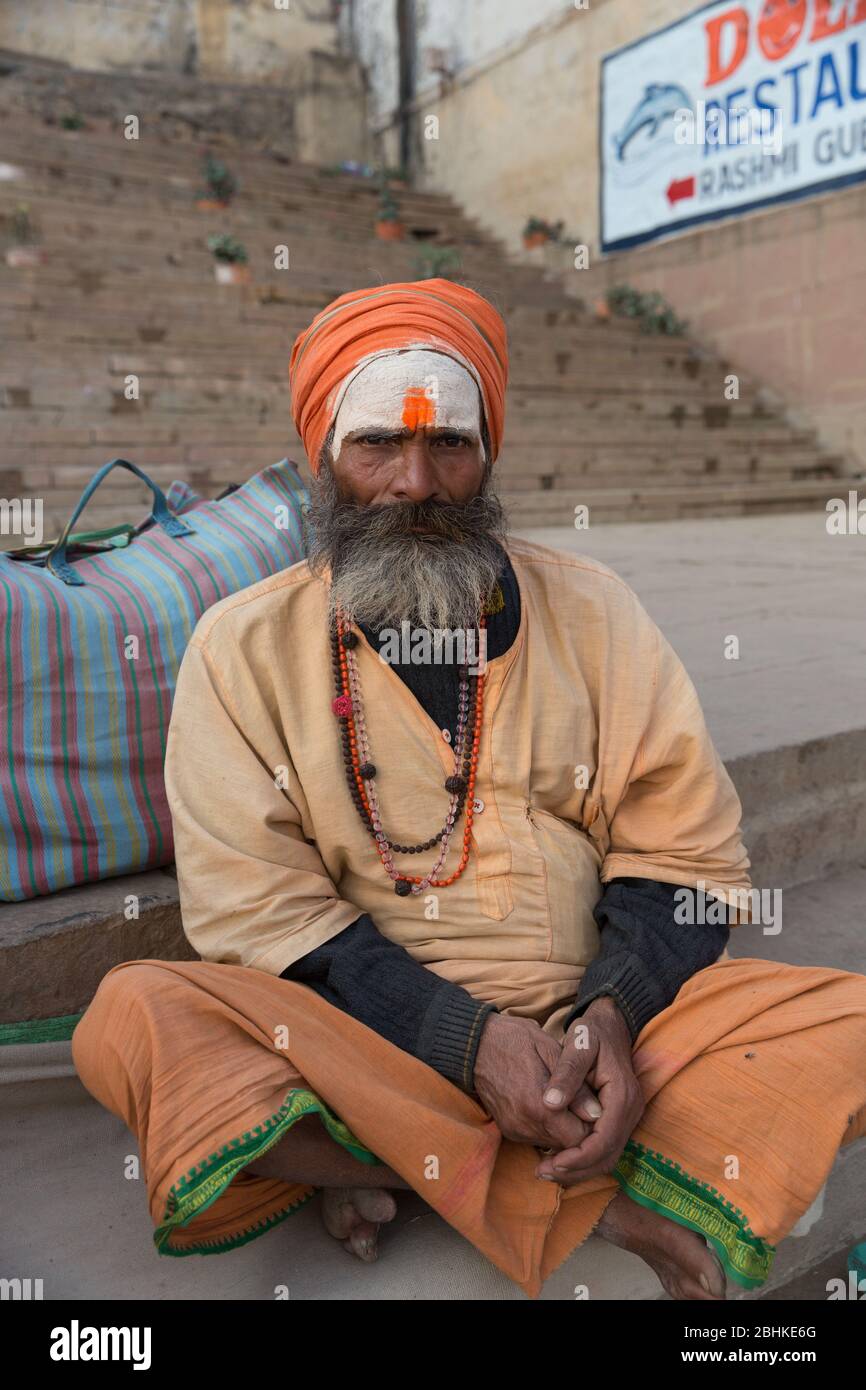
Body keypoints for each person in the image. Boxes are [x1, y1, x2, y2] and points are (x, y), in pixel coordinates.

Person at [72, 279, 866, 1301]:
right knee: (135, 1016)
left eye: (448, 443)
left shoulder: (593, 610)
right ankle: (593, 1193)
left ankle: (398, 1165)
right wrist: (470, 1045)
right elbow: (258, 911)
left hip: (601, 1028)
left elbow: (683, 854)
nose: (415, 481)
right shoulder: (244, 646)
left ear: (487, 451)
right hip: (371, 1040)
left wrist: (607, 1021)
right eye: (377, 448)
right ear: (325, 459)